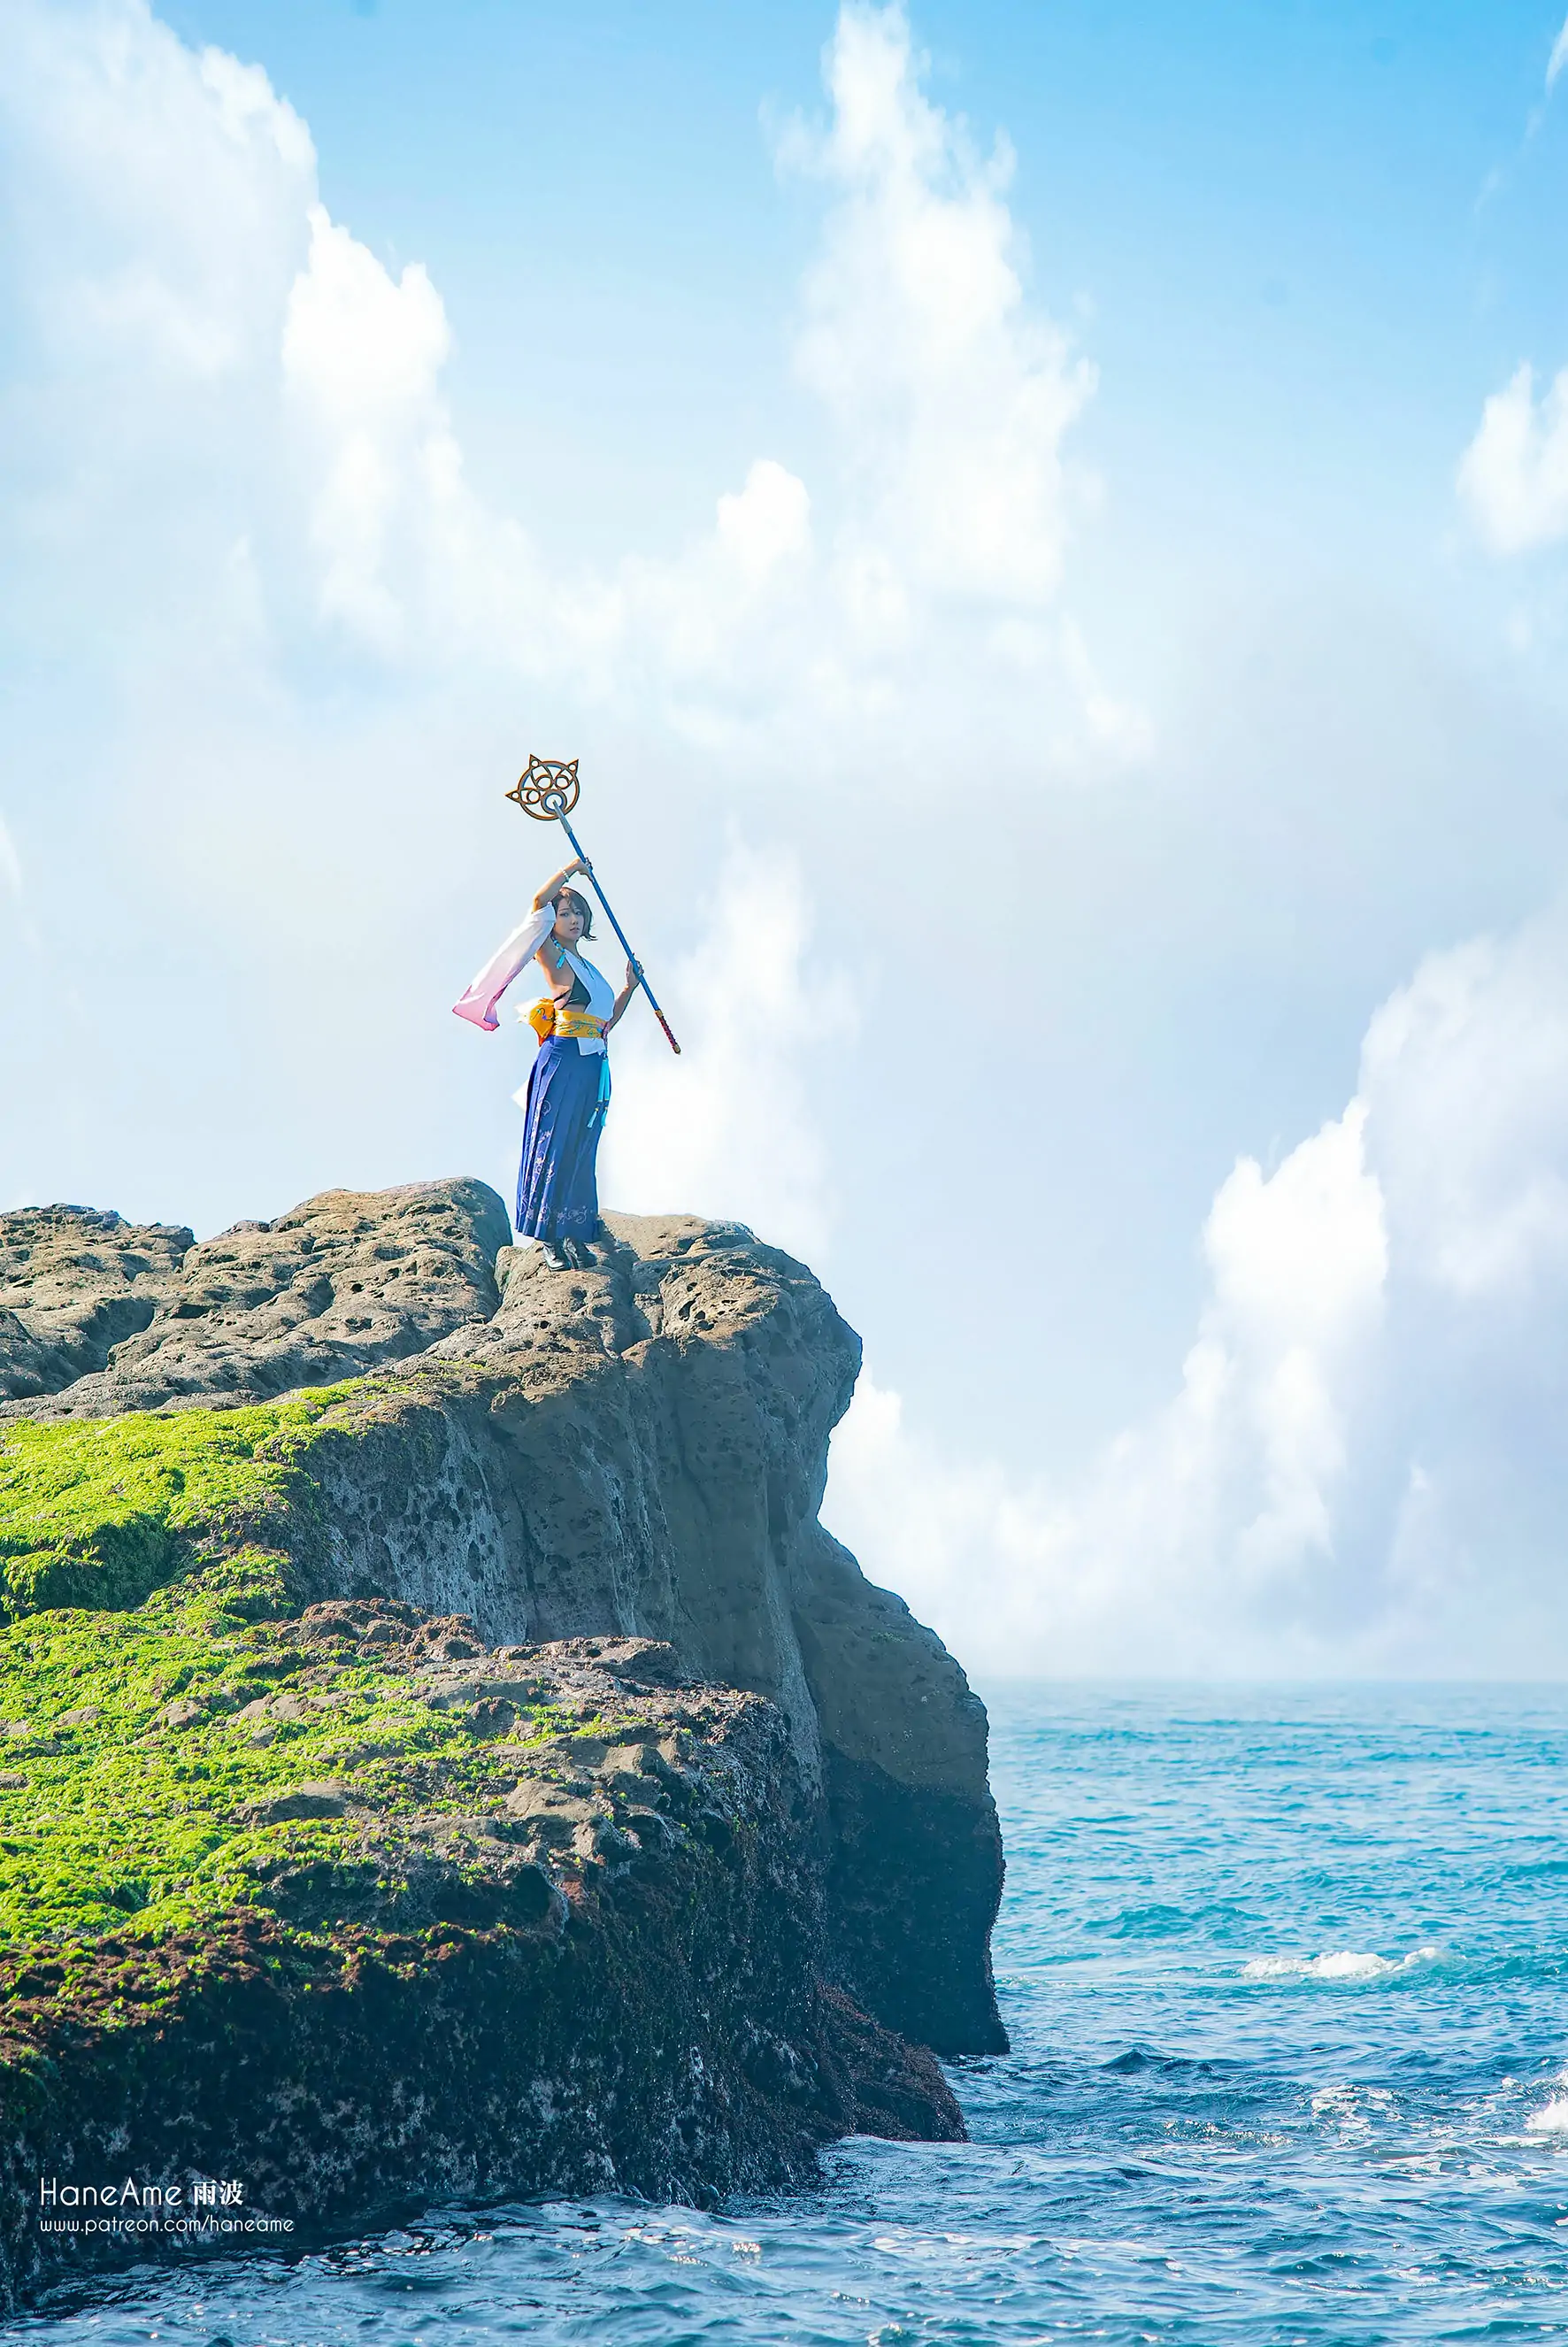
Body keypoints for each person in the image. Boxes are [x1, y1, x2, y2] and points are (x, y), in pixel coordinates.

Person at [452, 858, 641, 1268]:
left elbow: (605, 1024)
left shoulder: (591, 970)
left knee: (580, 1147)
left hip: (592, 1065)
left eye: (578, 913)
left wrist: (629, 988)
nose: (572, 920)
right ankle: (548, 1240)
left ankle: (575, 1235)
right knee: (552, 1143)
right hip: (562, 1059)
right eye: (565, 913)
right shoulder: (551, 955)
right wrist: (573, 869)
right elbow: (538, 901)